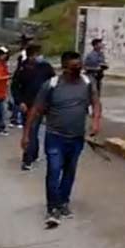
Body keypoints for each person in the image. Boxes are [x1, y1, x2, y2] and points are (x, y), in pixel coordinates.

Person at [23, 51, 101, 228]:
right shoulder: (51, 85)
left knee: (69, 171)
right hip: (55, 136)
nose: (78, 70)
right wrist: (26, 134)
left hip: (76, 138)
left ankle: (63, 201)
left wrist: (96, 121)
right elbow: (35, 110)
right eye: (74, 67)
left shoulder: (87, 83)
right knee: (54, 170)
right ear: (64, 68)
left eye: (79, 66)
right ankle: (52, 208)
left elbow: (95, 102)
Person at [11, 43, 55, 171]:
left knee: (33, 130)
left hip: (42, 104)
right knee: (31, 130)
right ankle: (28, 157)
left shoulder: (46, 67)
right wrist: (20, 102)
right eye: (37, 54)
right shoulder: (23, 68)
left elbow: (53, 84)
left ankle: (31, 154)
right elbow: (15, 87)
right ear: (31, 55)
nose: (39, 56)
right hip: (28, 104)